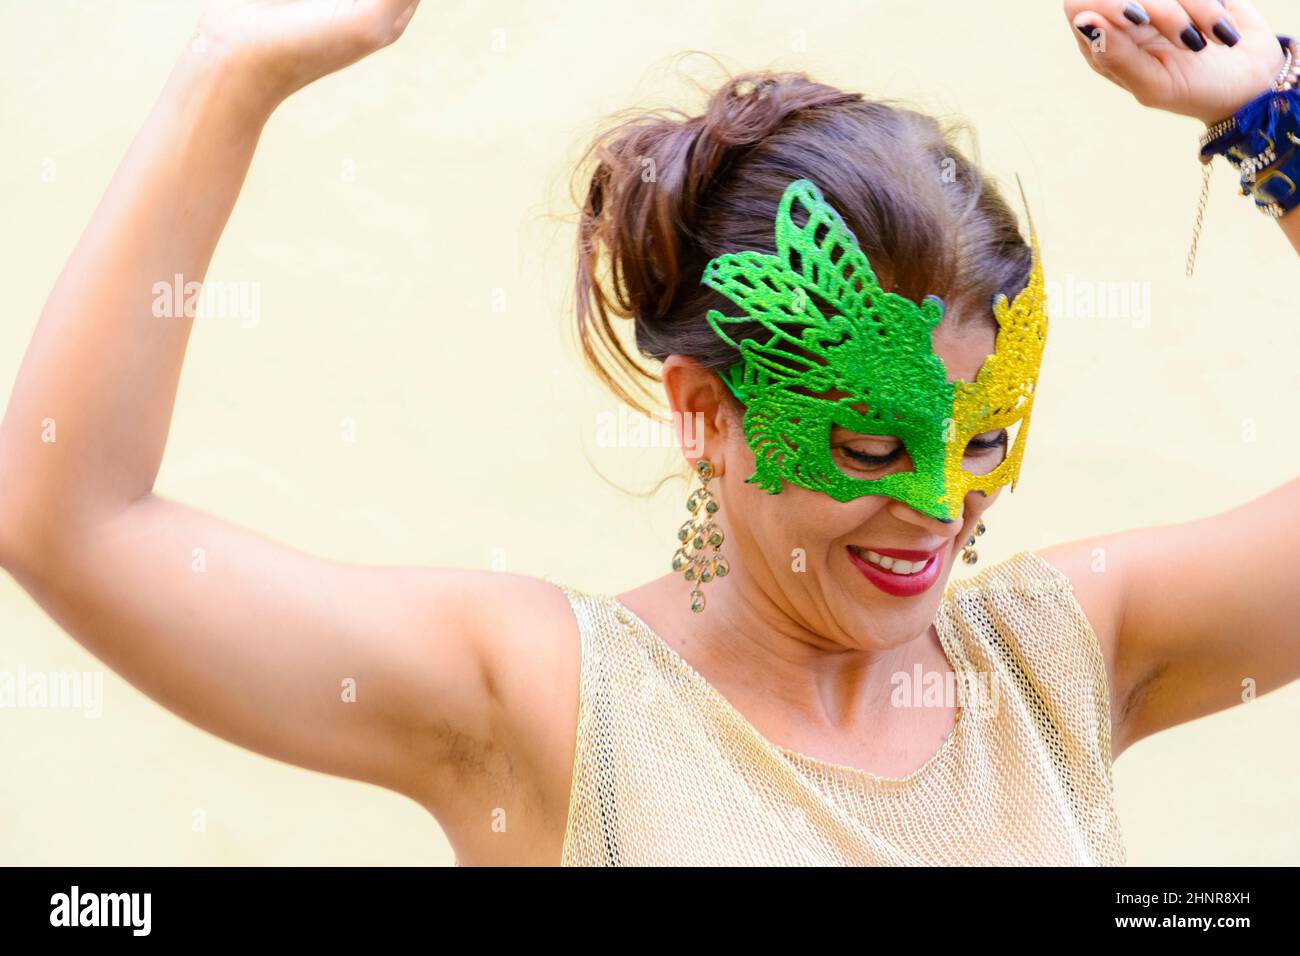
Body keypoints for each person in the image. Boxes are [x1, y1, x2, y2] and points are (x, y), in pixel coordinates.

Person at [0, 0, 1295, 866]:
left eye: (981, 443)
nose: (938, 508)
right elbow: (71, 526)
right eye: (862, 447)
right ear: (704, 415)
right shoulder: (549, 705)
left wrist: (1269, 121)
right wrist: (231, 72)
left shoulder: (1059, 661)